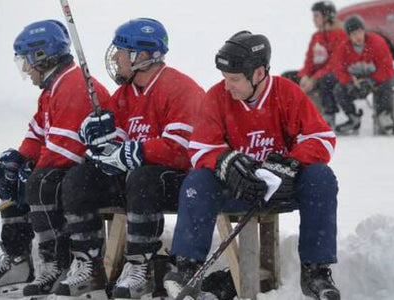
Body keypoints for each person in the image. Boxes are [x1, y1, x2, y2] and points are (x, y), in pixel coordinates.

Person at [163, 31, 341, 300]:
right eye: (224, 78)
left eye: (234, 79)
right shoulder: (216, 97)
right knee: (197, 181)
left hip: (281, 190)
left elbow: (321, 138)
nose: (227, 86)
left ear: (258, 74)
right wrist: (225, 162)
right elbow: (199, 149)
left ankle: (316, 271)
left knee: (321, 177)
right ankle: (187, 267)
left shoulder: (287, 92)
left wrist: (292, 163)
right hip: (237, 191)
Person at [0, 20, 112, 300]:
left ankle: (56, 263)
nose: (25, 70)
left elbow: (66, 150)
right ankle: (17, 260)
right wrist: (19, 160)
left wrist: (31, 173)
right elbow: (37, 134)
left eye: (26, 61)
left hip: (92, 173)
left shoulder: (75, 86)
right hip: (69, 168)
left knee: (38, 181)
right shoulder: (52, 89)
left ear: (42, 56)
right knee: (10, 175)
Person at [74, 18, 204, 299]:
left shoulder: (182, 89)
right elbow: (116, 145)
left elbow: (182, 149)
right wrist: (98, 144)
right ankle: (88, 266)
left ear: (141, 56)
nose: (115, 58)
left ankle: (140, 267)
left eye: (120, 52)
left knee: (142, 176)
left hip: (177, 184)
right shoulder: (122, 95)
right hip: (134, 183)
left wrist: (136, 152)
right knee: (79, 177)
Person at [332, 15, 394, 135]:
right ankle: (353, 118)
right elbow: (338, 69)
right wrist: (349, 81)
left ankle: (384, 115)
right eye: (353, 34)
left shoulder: (377, 42)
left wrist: (371, 80)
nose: (357, 37)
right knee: (338, 90)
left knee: (387, 83)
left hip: (376, 80)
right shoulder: (342, 48)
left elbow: (387, 67)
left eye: (359, 32)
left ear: (363, 31)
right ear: (349, 36)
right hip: (356, 83)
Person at [298, 1, 347, 127]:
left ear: (327, 16)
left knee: (326, 80)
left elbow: (334, 63)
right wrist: (305, 75)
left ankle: (329, 115)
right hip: (316, 75)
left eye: (316, 16)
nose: (313, 19)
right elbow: (309, 60)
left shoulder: (341, 35)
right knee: (288, 78)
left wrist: (313, 79)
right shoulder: (316, 36)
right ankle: (294, 116)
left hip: (335, 74)